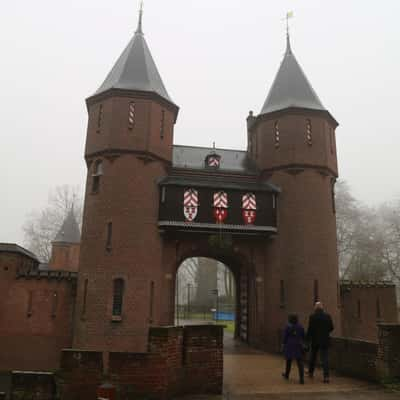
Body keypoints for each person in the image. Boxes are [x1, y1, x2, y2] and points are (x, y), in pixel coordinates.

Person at [306, 302, 334, 383]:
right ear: (322, 308)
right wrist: (325, 332)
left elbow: (310, 329)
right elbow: (331, 327)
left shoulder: (312, 317)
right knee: (325, 359)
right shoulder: (327, 316)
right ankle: (326, 376)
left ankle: (310, 373)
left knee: (313, 357)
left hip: (315, 340)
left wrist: (307, 339)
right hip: (325, 340)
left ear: (315, 308)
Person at [282, 314, 305, 384]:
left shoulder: (288, 327)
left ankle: (287, 375)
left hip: (289, 345)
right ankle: (301, 379)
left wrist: (283, 344)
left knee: (288, 361)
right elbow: (303, 335)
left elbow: (285, 336)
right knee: (300, 362)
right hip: (298, 344)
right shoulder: (300, 326)